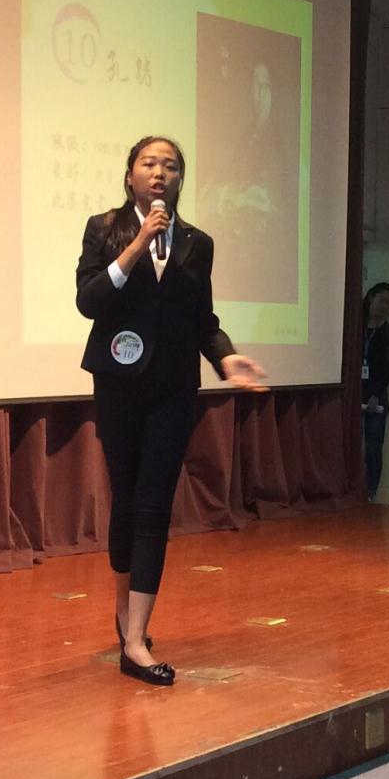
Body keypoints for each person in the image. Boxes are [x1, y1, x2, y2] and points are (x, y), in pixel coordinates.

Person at [76, 134, 268, 687]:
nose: (160, 173)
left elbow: (202, 319)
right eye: (149, 163)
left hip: (173, 389)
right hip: (118, 384)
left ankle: (136, 640)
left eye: (171, 166)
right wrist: (137, 244)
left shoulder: (197, 243)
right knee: (126, 501)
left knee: (154, 504)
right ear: (130, 175)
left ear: (181, 179)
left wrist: (226, 358)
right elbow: (89, 301)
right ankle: (124, 615)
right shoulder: (104, 228)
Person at [361, 283, 389, 501]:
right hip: (354, 394)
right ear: (371, 298)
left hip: (377, 398)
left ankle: (371, 493)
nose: (385, 306)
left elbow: (387, 367)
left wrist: (375, 395)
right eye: (382, 300)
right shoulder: (354, 325)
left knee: (373, 448)